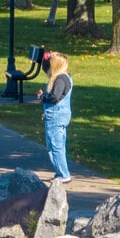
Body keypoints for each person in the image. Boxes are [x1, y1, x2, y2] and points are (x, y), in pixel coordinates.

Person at [36, 51, 73, 183]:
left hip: (55, 117)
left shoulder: (60, 80)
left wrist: (42, 97)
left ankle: (64, 174)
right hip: (57, 116)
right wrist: (48, 57)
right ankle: (60, 173)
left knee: (56, 147)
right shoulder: (64, 77)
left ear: (55, 65)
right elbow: (45, 68)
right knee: (54, 146)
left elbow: (54, 97)